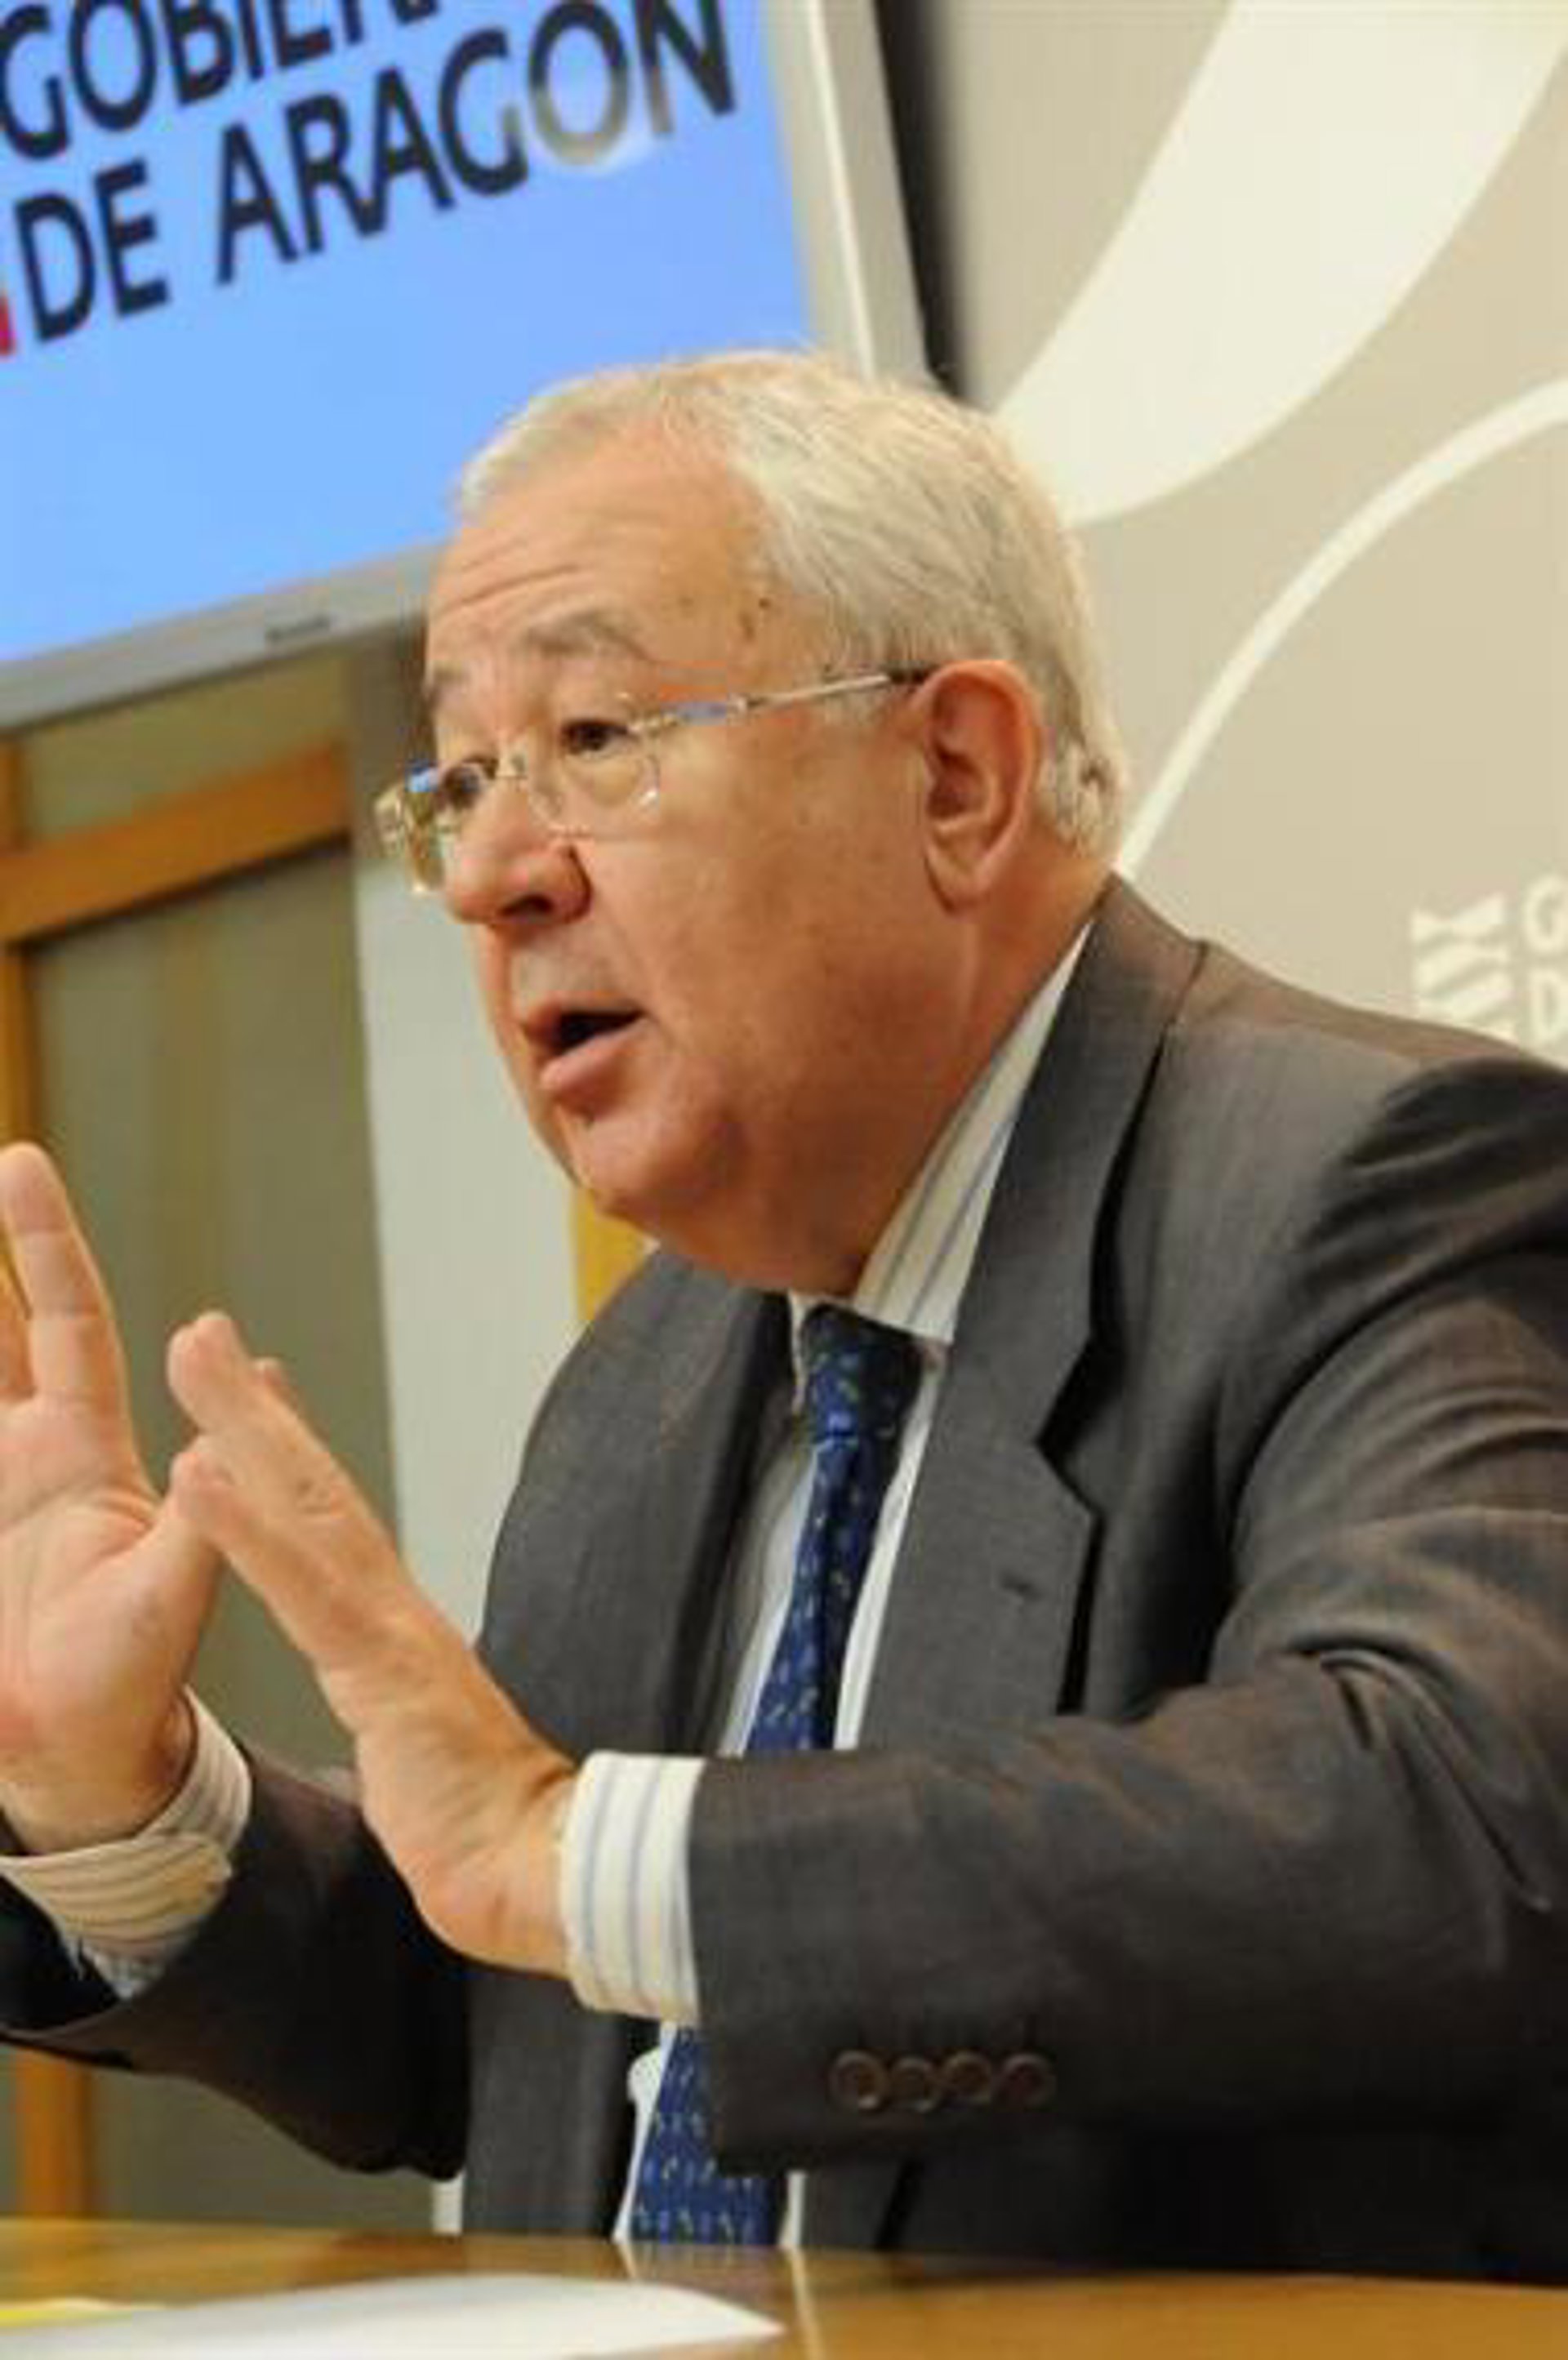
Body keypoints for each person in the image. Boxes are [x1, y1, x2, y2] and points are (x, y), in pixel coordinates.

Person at [0, 352, 1566, 2278]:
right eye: (463, 778)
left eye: (592, 734)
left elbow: (1458, 1824)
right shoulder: (649, 1370)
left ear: (957, 775)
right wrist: (124, 1791)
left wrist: (574, 1846)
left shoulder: (1373, 1180)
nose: (489, 873)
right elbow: (528, 2001)